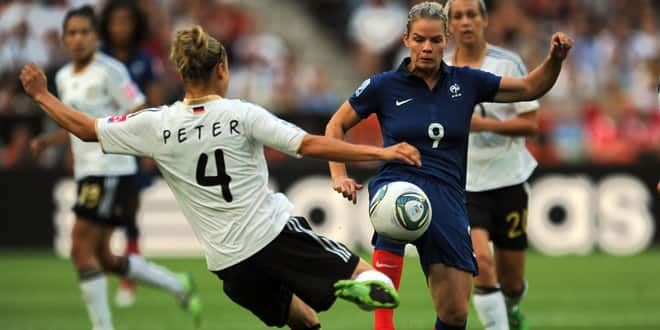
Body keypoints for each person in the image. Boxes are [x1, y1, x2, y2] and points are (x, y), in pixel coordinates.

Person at [20, 24, 423, 329]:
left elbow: (89, 129)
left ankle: (345, 287)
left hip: (229, 265)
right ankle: (357, 282)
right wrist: (381, 151)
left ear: (182, 73)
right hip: (274, 235)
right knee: (372, 279)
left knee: (306, 323)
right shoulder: (240, 114)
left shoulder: (157, 125)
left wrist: (42, 96)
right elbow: (309, 145)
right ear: (222, 69)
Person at [325, 2, 572, 330]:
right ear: (406, 40)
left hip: (449, 196)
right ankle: (383, 324)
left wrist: (555, 59)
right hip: (399, 179)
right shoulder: (383, 85)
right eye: (419, 39)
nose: (427, 47)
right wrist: (339, 174)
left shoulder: (467, 82)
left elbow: (530, 87)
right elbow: (335, 126)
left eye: (435, 40)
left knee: (455, 312)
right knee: (397, 205)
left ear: (446, 40)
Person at [28, 6, 202, 330]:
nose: (78, 39)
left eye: (85, 32)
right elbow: (78, 120)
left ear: (96, 37)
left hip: (111, 167)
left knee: (81, 249)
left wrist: (144, 149)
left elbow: (137, 109)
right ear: (64, 38)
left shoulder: (111, 71)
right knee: (104, 257)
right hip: (87, 170)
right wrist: (52, 142)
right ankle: (178, 283)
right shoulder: (65, 77)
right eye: (72, 33)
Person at [446, 1, 540, 329]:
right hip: (465, 185)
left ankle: (512, 311)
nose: (466, 22)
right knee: (481, 262)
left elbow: (531, 124)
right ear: (449, 26)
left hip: (509, 179)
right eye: (457, 16)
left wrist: (485, 126)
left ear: (484, 20)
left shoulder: (507, 63)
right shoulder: (440, 69)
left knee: (512, 283)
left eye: (472, 14)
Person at [98, 0, 160, 307]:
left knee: (129, 211)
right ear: (107, 25)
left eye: (127, 22)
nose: (121, 28)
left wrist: (150, 145)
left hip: (133, 146)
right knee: (103, 215)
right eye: (116, 22)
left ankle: (127, 277)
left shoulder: (144, 60)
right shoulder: (99, 60)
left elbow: (153, 102)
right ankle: (105, 270)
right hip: (101, 144)